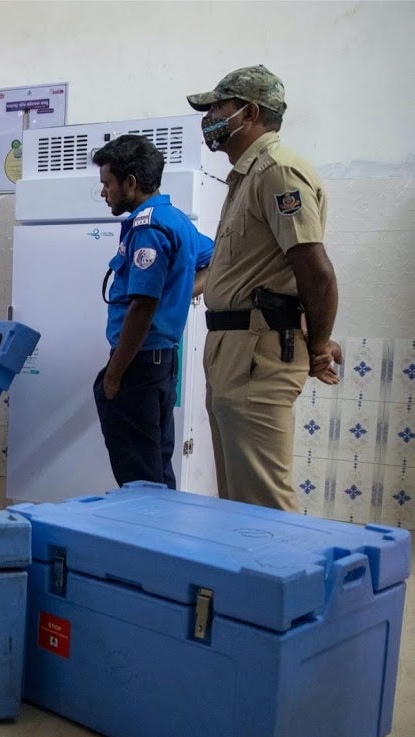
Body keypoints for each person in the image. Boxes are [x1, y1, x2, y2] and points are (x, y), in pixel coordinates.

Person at [187, 65, 342, 511]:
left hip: (258, 353)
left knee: (265, 505)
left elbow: (317, 273)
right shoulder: (244, 177)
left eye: (218, 106)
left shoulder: (278, 171)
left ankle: (294, 582)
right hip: (233, 351)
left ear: (249, 113)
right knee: (238, 502)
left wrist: (317, 346)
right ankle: (247, 583)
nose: (209, 116)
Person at [91, 135, 214, 489]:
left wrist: (114, 375)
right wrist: (180, 290)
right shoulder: (175, 220)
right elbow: (216, 256)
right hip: (161, 361)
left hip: (139, 363)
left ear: (130, 183)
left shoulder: (148, 227)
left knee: (140, 478)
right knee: (156, 467)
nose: (104, 193)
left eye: (107, 184)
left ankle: (143, 538)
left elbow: (142, 307)